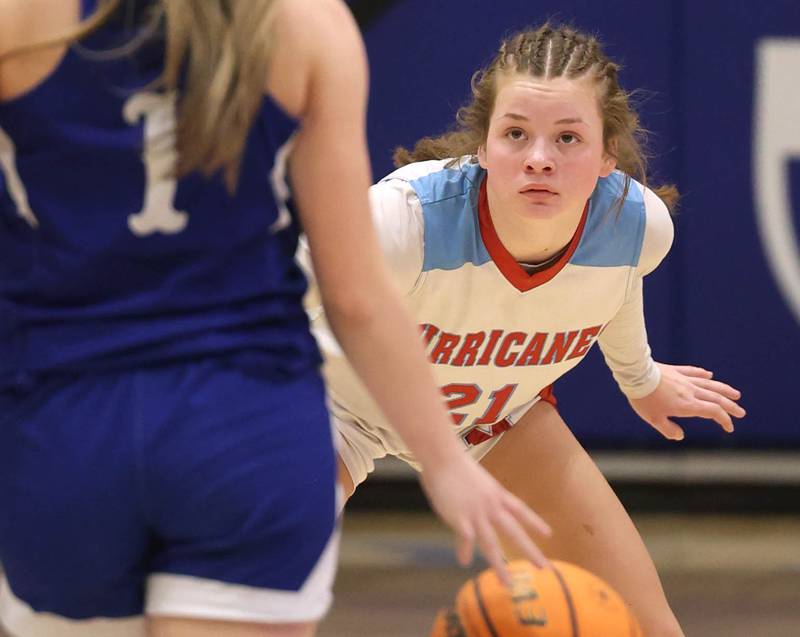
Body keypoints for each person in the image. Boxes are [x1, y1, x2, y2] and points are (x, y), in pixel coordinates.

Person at [0, 2, 552, 636]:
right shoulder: (308, 25)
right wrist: (446, 464)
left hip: (68, 428)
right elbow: (356, 298)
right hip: (247, 428)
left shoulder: (20, 18)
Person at [300, 23, 746, 637]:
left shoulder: (638, 227)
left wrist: (640, 379)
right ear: (482, 145)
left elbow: (617, 284)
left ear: (608, 155)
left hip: (491, 418)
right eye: (516, 134)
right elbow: (264, 299)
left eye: (568, 137)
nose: (539, 157)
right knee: (265, 596)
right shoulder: (403, 223)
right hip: (335, 407)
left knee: (645, 626)